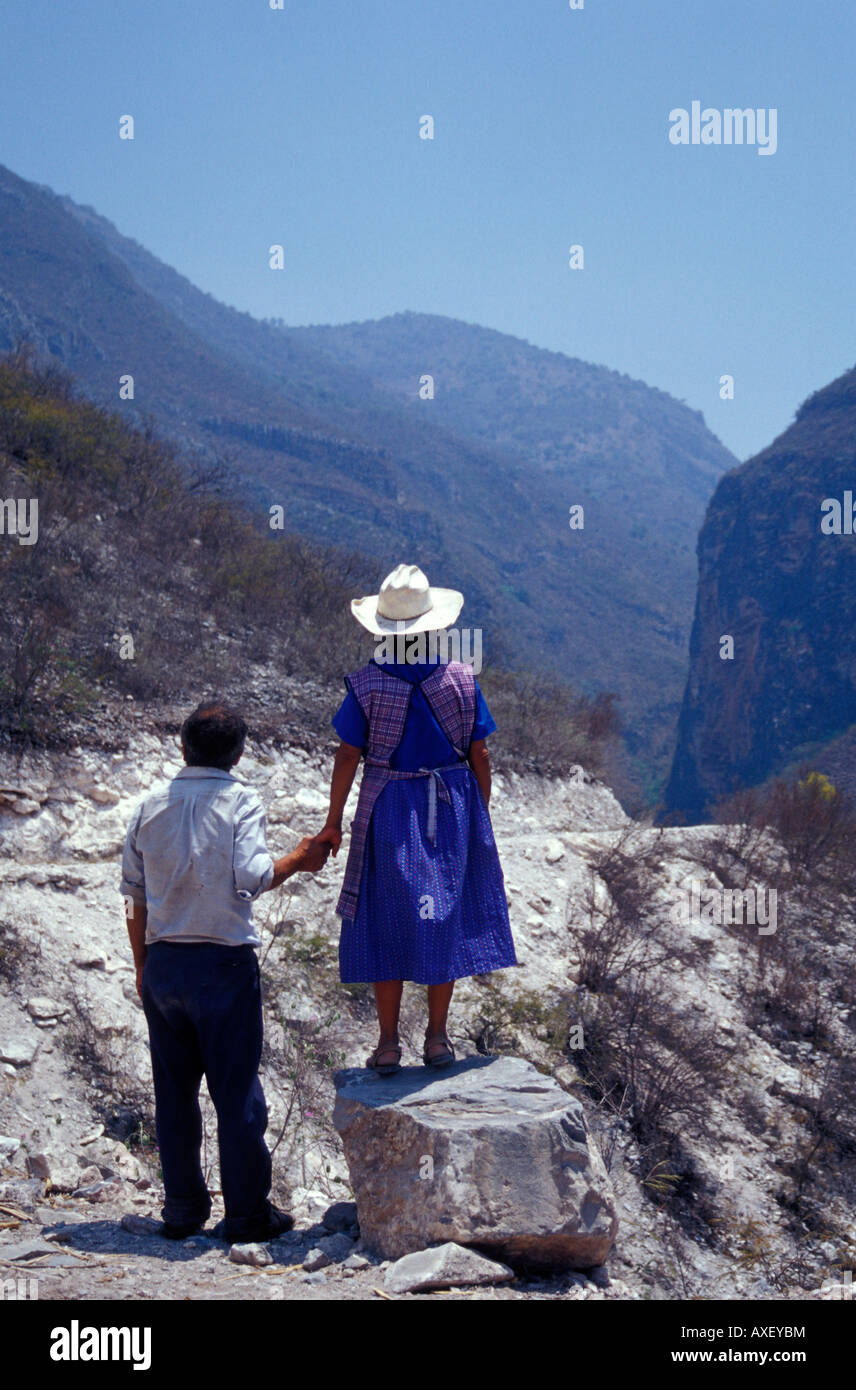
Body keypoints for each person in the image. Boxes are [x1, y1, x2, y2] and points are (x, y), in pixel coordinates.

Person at [120, 700, 329, 1242]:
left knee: (174, 1092)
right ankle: (245, 1215)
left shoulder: (148, 806)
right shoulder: (241, 801)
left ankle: (183, 1210)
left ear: (181, 745)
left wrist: (144, 965)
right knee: (235, 1092)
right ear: (238, 754)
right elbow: (251, 879)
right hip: (223, 962)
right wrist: (300, 859)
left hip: (164, 962)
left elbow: (134, 898)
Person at [317, 564, 517, 1073]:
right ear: (434, 625)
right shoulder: (461, 680)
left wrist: (334, 820)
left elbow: (347, 755)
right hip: (449, 805)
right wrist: (480, 813)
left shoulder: (365, 686)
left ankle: (387, 1044)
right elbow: (481, 754)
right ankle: (437, 1038)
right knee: (442, 915)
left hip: (387, 806)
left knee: (387, 918)